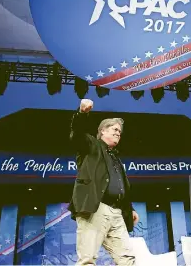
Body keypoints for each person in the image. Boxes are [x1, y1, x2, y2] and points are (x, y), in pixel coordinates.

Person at [68, 99, 139, 265]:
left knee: (127, 259)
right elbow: (77, 133)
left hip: (117, 213)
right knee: (87, 259)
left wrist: (130, 208)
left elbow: (119, 185)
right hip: (95, 208)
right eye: (114, 129)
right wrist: (82, 113)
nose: (118, 133)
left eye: (120, 132)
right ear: (102, 131)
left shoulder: (115, 158)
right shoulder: (91, 145)